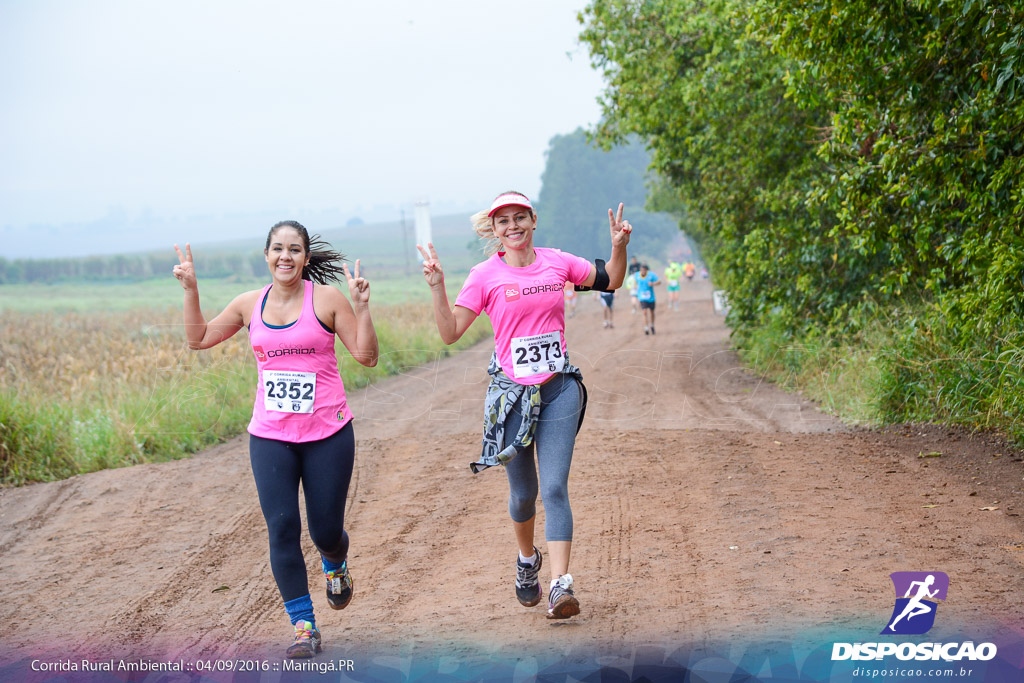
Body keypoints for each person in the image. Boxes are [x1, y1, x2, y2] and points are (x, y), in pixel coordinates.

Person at [417, 191, 631, 620]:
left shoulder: (558, 262)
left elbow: (613, 280)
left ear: (533, 220)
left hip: (558, 389)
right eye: (503, 221)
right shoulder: (483, 275)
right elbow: (450, 332)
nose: (512, 226)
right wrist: (439, 288)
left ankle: (560, 584)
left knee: (553, 488)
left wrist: (618, 248)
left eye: (520, 218)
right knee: (523, 495)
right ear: (493, 230)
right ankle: (526, 560)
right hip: (512, 397)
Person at [172, 221, 379, 658]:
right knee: (282, 528)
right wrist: (191, 289)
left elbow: (366, 356)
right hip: (270, 436)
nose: (286, 257)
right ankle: (304, 624)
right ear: (266, 255)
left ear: (305, 258)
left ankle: (335, 562)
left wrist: (361, 308)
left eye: (294, 250)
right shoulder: (249, 304)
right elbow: (198, 339)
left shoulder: (325, 299)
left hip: (327, 433)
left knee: (325, 530)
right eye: (278, 249)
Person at [635, 263, 661, 334]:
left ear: (646, 270)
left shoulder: (651, 275)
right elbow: (635, 282)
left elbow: (659, 281)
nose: (642, 271)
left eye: (644, 270)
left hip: (651, 298)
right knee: (644, 312)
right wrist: (636, 287)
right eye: (641, 270)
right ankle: (646, 327)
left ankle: (652, 325)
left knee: (652, 312)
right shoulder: (637, 275)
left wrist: (653, 284)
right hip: (642, 297)